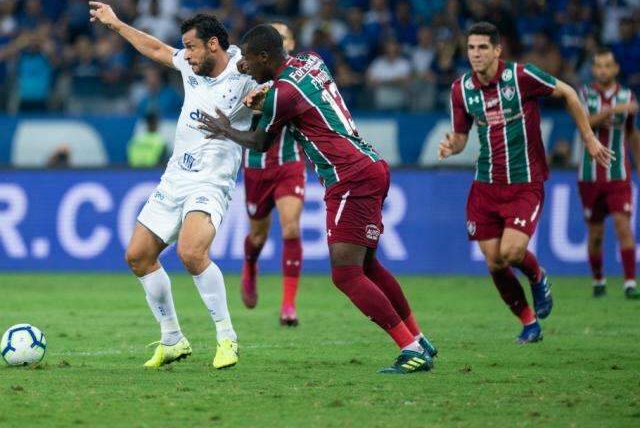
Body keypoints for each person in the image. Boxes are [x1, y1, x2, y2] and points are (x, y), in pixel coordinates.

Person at [199, 24, 437, 374]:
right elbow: (291, 94)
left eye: (249, 60)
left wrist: (225, 129)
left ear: (265, 57)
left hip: (349, 178)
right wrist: (265, 94)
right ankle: (418, 338)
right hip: (369, 164)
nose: (245, 66)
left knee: (346, 275)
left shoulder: (282, 94)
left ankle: (410, 348)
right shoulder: (311, 61)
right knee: (368, 266)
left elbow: (262, 142)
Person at [89, 1, 257, 369]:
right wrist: (115, 23)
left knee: (192, 252)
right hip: (176, 176)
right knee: (137, 256)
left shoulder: (247, 73)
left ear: (213, 44)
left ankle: (227, 338)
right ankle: (172, 339)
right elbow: (154, 48)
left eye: (192, 47)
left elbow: (280, 82)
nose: (187, 54)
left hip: (212, 179)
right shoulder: (190, 66)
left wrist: (262, 99)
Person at [438, 22, 612, 344]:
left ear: (497, 50)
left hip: (525, 182)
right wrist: (452, 146)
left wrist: (588, 138)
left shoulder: (521, 77)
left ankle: (538, 276)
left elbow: (570, 94)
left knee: (513, 251)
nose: (475, 54)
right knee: (494, 261)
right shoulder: (460, 90)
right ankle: (529, 322)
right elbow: (461, 137)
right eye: (471, 48)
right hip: (485, 185)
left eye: (482, 48)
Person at [241, 22, 306, 326]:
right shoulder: (249, 75)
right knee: (258, 236)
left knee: (291, 228)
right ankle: (250, 266)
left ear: (289, 44)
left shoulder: (299, 78)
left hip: (289, 162)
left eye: (285, 36)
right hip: (256, 164)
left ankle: (288, 305)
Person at [577, 48, 640, 299]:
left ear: (615, 69)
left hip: (618, 174)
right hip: (590, 176)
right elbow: (585, 123)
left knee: (623, 226)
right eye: (598, 66)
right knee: (595, 234)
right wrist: (612, 111)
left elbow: (632, 133)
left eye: (607, 66)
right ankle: (598, 280)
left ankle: (629, 283)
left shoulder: (626, 95)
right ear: (593, 70)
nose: (603, 70)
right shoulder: (584, 94)